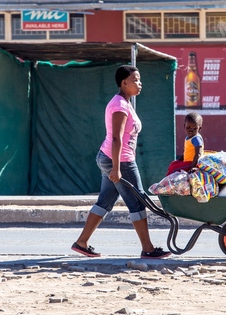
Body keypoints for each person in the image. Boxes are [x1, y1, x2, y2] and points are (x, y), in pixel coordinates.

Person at [71, 65, 170, 260]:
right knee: (138, 202)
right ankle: (148, 248)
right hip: (120, 160)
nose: (139, 84)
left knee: (105, 201)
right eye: (135, 80)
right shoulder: (119, 106)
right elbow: (116, 138)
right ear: (124, 83)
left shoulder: (124, 102)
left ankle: (81, 242)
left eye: (139, 80)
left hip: (111, 158)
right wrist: (116, 168)